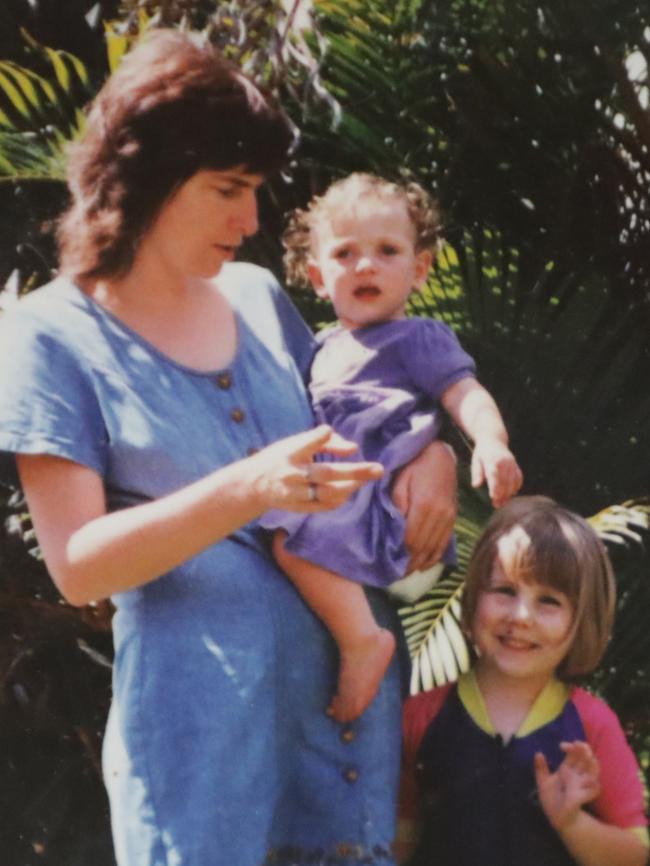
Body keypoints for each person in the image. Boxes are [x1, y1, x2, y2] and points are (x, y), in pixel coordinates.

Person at [0, 30, 463, 866]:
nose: (251, 221)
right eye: (228, 190)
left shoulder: (254, 296)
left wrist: (435, 455)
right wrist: (246, 487)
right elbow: (77, 565)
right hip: (199, 757)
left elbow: (367, 401)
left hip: (342, 743)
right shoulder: (50, 336)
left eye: (254, 190)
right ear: (145, 179)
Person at [261, 174, 523, 722]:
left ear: (420, 269)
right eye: (345, 253)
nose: (365, 266)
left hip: (378, 497)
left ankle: (362, 641)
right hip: (343, 491)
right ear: (316, 276)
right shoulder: (319, 349)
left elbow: (465, 393)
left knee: (287, 538)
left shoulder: (418, 337)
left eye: (387, 251)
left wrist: (491, 442)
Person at [399, 496, 649, 866]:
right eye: (505, 591)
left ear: (582, 620)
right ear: (472, 598)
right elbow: (393, 839)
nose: (521, 616)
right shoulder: (421, 716)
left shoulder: (593, 726)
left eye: (548, 601)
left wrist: (572, 823)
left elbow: (634, 855)